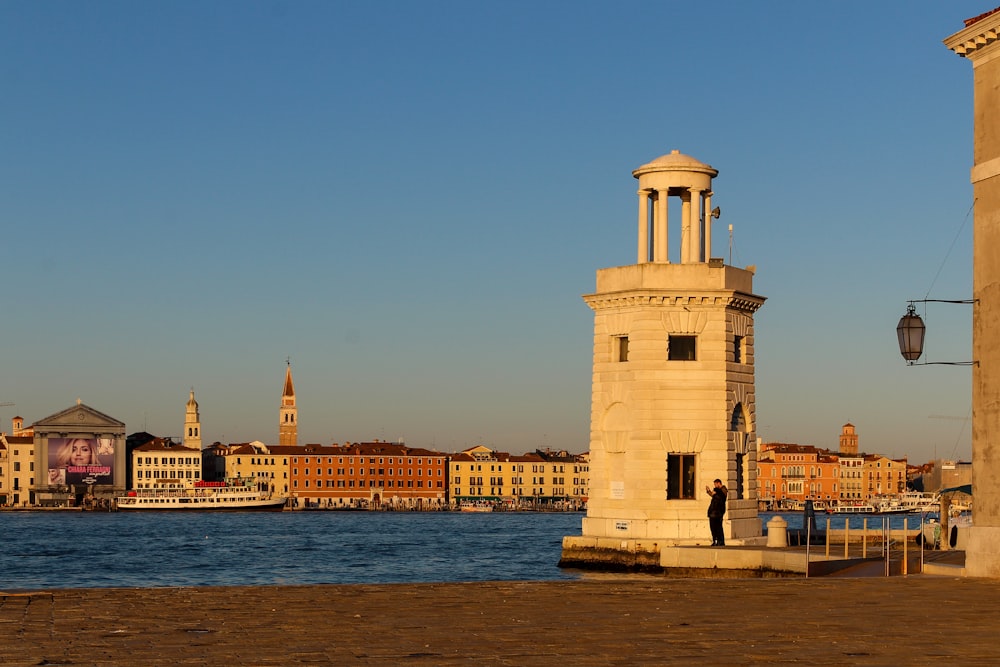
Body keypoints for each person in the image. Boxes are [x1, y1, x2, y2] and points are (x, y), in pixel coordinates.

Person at [706, 478, 728, 546]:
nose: (715, 486)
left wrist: (715, 492)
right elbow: (713, 495)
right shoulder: (716, 493)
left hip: (718, 512)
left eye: (715, 484)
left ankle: (720, 541)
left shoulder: (723, 490)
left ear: (719, 483)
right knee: (713, 528)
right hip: (713, 512)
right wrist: (709, 491)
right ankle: (715, 540)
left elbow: (721, 497)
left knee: (718, 527)